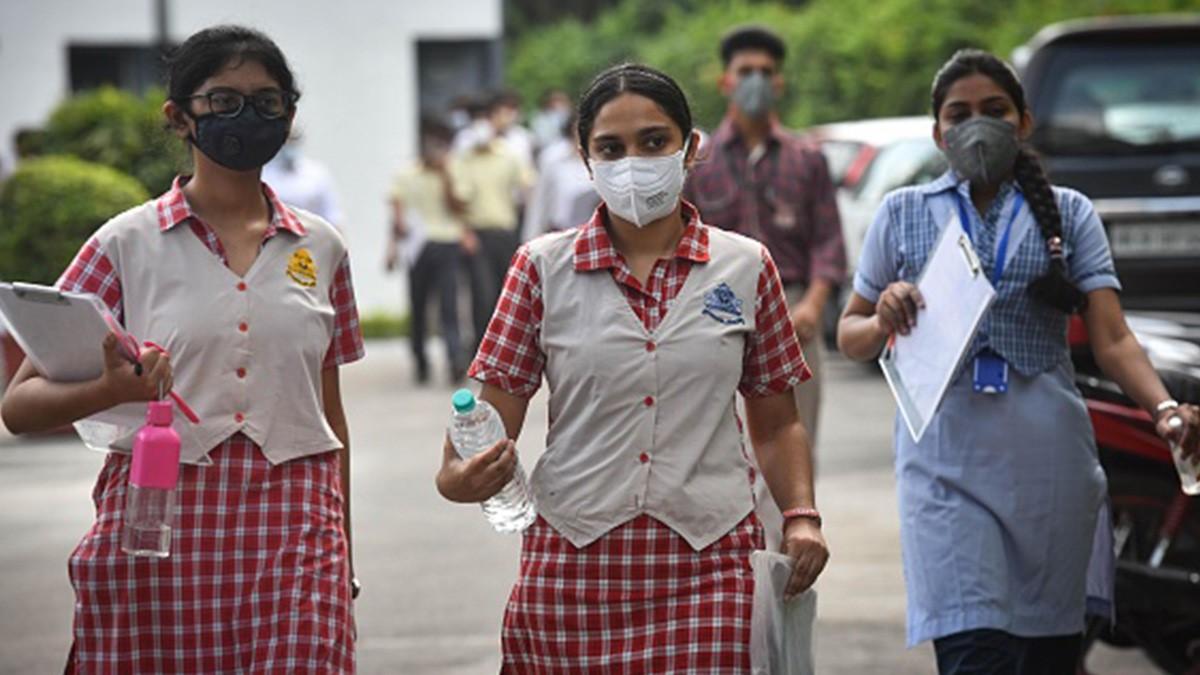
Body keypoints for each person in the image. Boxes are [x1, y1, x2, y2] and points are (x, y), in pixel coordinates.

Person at [435, 63, 829, 672]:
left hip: (710, 560)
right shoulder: (540, 269)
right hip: (571, 562)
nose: (633, 163)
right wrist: (463, 478)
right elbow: (489, 420)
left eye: (653, 142)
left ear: (690, 147)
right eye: (610, 149)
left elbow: (777, 420)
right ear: (585, 160)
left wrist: (800, 517)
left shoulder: (746, 267)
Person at [0, 25, 364, 672]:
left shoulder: (323, 248)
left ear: (290, 114)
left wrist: (348, 563)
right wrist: (111, 390)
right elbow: (19, 405)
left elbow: (330, 419)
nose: (248, 116)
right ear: (179, 116)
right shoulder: (124, 244)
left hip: (299, 526)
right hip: (160, 524)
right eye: (224, 101)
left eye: (267, 101)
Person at [836, 49, 1200, 674]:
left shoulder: (1069, 212)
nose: (977, 124)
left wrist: (1164, 410)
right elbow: (850, 334)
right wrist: (883, 317)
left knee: (1046, 656)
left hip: (1048, 461)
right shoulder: (903, 214)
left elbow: (1113, 339)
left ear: (1024, 122)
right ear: (937, 132)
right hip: (944, 460)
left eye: (994, 110)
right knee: (974, 651)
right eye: (960, 113)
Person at [683, 24, 846, 550]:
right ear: (725, 81)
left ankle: (784, 569)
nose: (755, 80)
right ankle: (727, 568)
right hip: (712, 317)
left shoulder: (807, 158)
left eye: (765, 72)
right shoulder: (697, 160)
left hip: (794, 316)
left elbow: (829, 245)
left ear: (780, 83)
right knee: (714, 447)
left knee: (791, 448)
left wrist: (812, 306)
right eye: (744, 71)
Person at [386, 119, 476, 384]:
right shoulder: (406, 174)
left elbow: (459, 206)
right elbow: (397, 212)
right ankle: (420, 359)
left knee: (450, 305)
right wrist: (392, 248)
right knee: (419, 305)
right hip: (417, 247)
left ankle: (454, 359)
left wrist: (446, 174)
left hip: (446, 242)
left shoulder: (454, 171)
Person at [453, 102, 535, 353]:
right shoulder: (464, 159)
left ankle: (508, 350)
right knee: (481, 294)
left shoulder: (508, 155)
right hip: (477, 234)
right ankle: (481, 349)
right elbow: (458, 199)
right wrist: (464, 232)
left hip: (505, 232)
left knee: (508, 294)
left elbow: (527, 186)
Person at [520, 110, 599, 241]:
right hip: (560, 232)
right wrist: (531, 237)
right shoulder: (553, 158)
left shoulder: (604, 161)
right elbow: (541, 200)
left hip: (594, 234)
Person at [262, 133, 345, 226]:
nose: (290, 148)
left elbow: (332, 215)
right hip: (279, 232)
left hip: (312, 232)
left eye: (293, 143)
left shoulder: (316, 173)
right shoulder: (265, 174)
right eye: (286, 144)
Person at [530, 88, 572, 153]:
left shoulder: (572, 116)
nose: (558, 104)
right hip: (547, 151)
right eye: (555, 100)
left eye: (561, 100)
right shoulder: (540, 118)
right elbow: (542, 139)